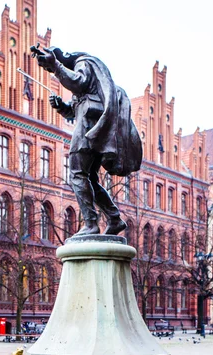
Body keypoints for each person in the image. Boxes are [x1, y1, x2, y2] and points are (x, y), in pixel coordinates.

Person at [35, 47, 142, 237]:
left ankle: (91, 223)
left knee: (77, 173)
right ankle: (114, 218)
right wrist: (62, 108)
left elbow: (79, 82)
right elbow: (77, 110)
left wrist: (56, 66)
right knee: (90, 178)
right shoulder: (84, 79)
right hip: (93, 129)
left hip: (87, 131)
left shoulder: (82, 63)